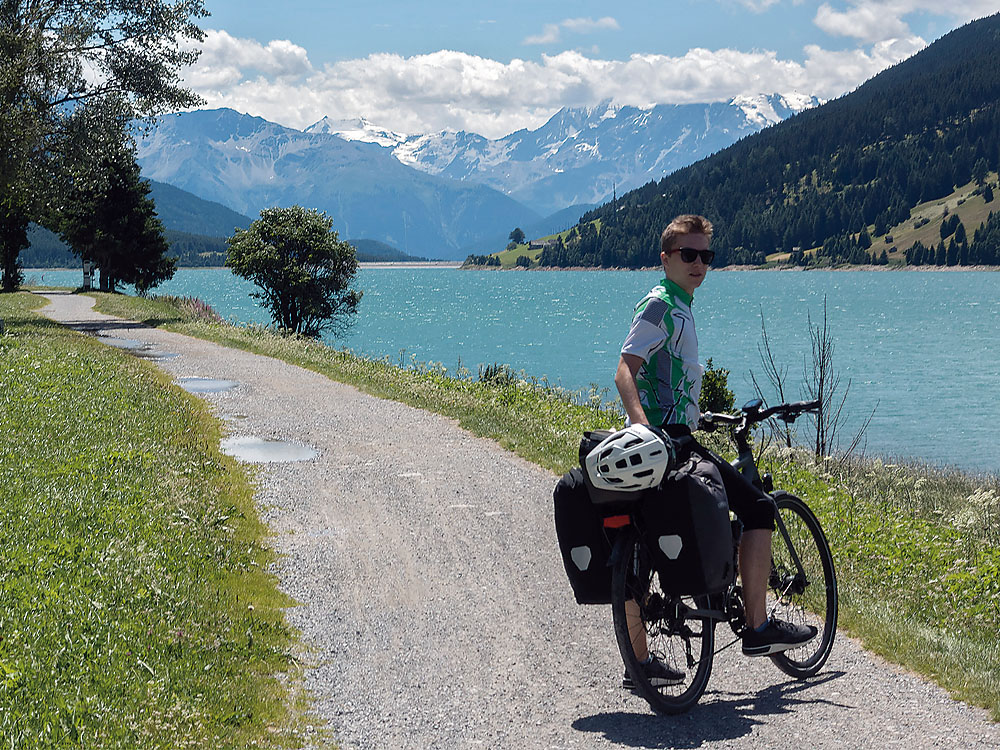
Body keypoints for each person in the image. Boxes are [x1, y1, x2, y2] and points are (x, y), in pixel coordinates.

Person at [614, 214, 816, 688]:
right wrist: (647, 430)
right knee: (759, 507)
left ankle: (637, 663)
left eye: (706, 255)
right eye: (689, 254)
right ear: (665, 258)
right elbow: (625, 370)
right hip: (667, 441)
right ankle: (759, 627)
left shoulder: (679, 306)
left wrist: (688, 415)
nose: (699, 263)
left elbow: (664, 379)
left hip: (673, 433)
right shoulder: (661, 305)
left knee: (645, 536)